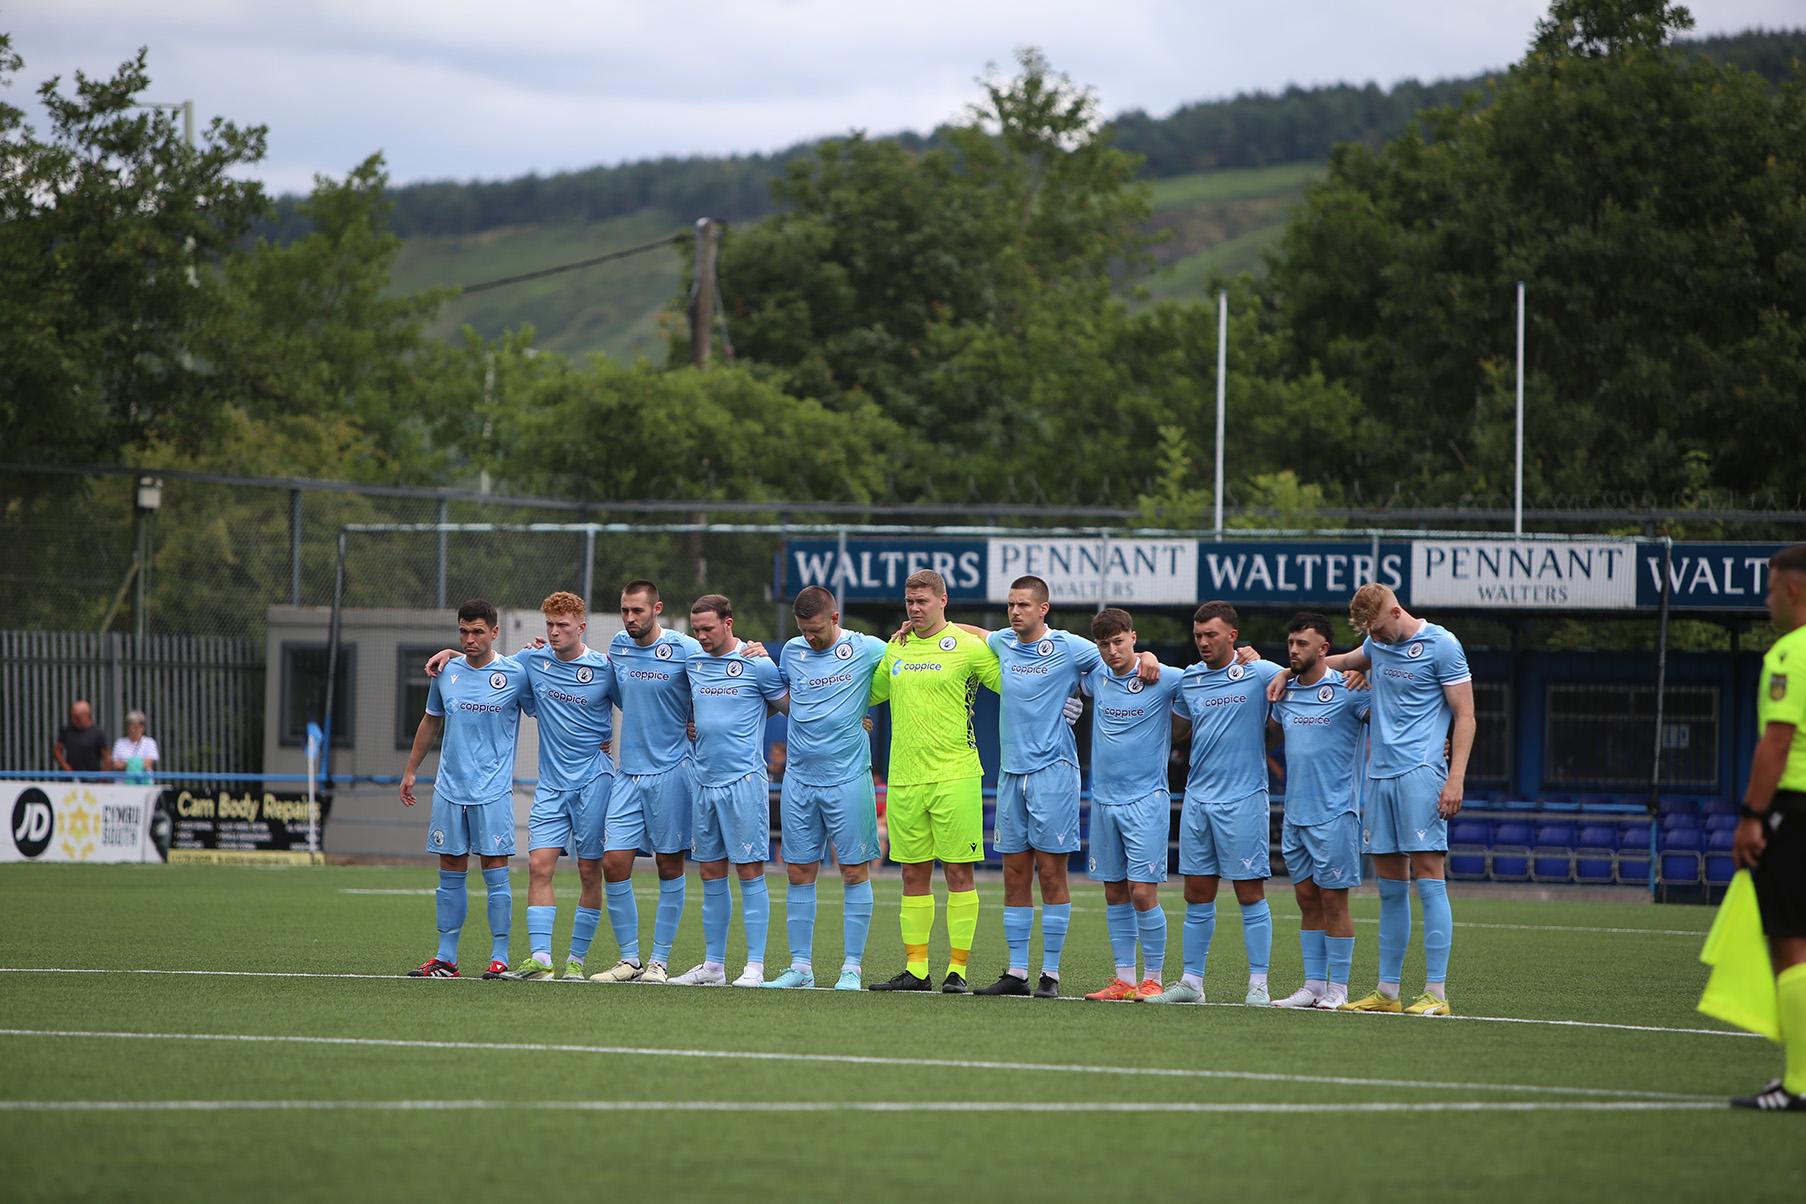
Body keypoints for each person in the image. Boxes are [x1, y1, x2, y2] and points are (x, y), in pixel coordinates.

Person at [1269, 581, 1474, 1016]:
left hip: (1421, 772)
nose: (1374, 641)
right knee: (1390, 888)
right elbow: (1332, 660)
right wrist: (1284, 671)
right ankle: (1387, 991)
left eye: (1378, 630)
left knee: (1429, 877)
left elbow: (1466, 715)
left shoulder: (1442, 645)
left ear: (1396, 613)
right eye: (1369, 635)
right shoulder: (1375, 644)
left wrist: (1455, 778)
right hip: (1377, 776)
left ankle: (1436, 993)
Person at [975, 575, 1158, 998]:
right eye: (1010, 604)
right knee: (1013, 874)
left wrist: (1145, 653)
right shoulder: (1003, 641)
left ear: (1043, 609)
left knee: (1051, 873)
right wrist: (923, 626)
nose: (1015, 611)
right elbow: (972, 632)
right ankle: (1017, 972)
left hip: (1053, 773)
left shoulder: (1070, 646)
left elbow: (1116, 663)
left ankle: (1050, 975)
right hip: (1010, 774)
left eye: (1023, 604)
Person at [864, 568, 1001, 992]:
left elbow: (1020, 681)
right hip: (905, 779)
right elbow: (869, 693)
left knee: (959, 874)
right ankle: (917, 969)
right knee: (911, 875)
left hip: (956, 775)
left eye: (923, 601)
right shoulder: (896, 649)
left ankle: (957, 970)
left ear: (943, 601)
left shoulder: (970, 647)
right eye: (910, 602)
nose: (915, 609)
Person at [1146, 600, 1284, 1006]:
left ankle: (1258, 984)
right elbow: (1178, 729)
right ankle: (1192, 983)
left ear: (1233, 636)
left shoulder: (1259, 672)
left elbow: (1306, 679)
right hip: (1198, 799)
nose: (1204, 642)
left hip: (1243, 798)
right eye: (1198, 636)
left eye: (1212, 635)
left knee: (1249, 892)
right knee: (1197, 892)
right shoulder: (1190, 680)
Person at [400, 599, 532, 979]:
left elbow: (548, 708)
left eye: (478, 631)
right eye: (463, 631)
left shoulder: (516, 674)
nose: (470, 638)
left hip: (492, 791)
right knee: (449, 872)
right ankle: (446, 959)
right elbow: (430, 722)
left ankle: (500, 957)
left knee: (495, 871)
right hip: (449, 789)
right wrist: (410, 771)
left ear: (494, 632)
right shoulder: (446, 672)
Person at [766, 586, 889, 991]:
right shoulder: (790, 651)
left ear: (834, 619)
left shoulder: (868, 648)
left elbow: (912, 669)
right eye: (803, 630)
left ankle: (851, 968)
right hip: (799, 779)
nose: (810, 637)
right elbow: (782, 698)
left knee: (853, 870)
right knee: (799, 871)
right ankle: (800, 967)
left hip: (848, 777)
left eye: (816, 629)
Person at [668, 594, 789, 988]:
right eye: (696, 629)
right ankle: (714, 967)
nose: (701, 636)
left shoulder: (756, 663)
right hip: (702, 782)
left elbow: (787, 706)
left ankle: (755, 966)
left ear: (729, 623)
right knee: (710, 873)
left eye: (708, 628)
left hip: (744, 782)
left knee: (750, 871)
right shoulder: (693, 662)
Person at [589, 580, 704, 984]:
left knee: (669, 865)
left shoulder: (685, 648)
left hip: (673, 771)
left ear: (657, 608)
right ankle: (629, 961)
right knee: (613, 862)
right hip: (627, 772)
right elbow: (610, 689)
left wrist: (750, 648)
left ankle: (659, 962)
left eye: (638, 610)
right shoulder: (618, 646)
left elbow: (724, 665)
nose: (630, 618)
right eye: (625, 610)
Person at [500, 593, 617, 981]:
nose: (553, 632)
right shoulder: (531, 660)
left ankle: (576, 962)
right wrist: (451, 654)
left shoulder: (604, 668)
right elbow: (487, 669)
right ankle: (541, 959)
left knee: (588, 871)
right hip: (550, 784)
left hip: (594, 780)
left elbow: (643, 703)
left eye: (562, 625)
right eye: (549, 624)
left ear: (581, 627)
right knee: (537, 866)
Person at [1730, 543, 1806, 1110]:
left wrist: (1753, 816)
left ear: (1794, 590)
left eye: (1771, 587)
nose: (1766, 598)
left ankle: (1799, 1084)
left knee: (1790, 943)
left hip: (1795, 811)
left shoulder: (1790, 655)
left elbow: (1776, 742)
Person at [1078, 608, 1186, 1002]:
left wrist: (1153, 659)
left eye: (1118, 642)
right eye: (1104, 644)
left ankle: (1154, 978)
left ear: (1133, 638)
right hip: (1104, 800)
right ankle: (1124, 980)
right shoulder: (1095, 676)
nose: (1111, 651)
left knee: (1143, 892)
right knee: (1114, 891)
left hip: (1146, 800)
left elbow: (1197, 698)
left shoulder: (1163, 676)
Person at [1267, 612, 1369, 1010]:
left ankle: (1338, 988)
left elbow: (1396, 720)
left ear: (1324, 649)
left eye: (1302, 644)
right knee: (1307, 900)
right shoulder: (1285, 691)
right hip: (1295, 815)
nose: (1293, 650)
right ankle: (1312, 986)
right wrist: (1280, 673)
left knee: (1334, 901)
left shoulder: (1351, 687)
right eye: (1290, 643)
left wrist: (1439, 746)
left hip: (1336, 814)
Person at [54, 701, 110, 780]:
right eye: (73, 717)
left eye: (77, 717)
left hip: (91, 779)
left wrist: (102, 779)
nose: (74, 720)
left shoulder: (98, 733)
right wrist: (64, 765)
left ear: (87, 716)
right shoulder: (67, 731)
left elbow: (107, 757)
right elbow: (57, 750)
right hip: (71, 779)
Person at [111, 710, 160, 784]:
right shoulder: (120, 743)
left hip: (144, 784)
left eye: (135, 727)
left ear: (143, 727)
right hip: (122, 785)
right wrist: (136, 763)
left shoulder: (150, 742)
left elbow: (148, 764)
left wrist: (127, 764)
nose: (132, 730)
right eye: (130, 726)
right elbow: (115, 765)